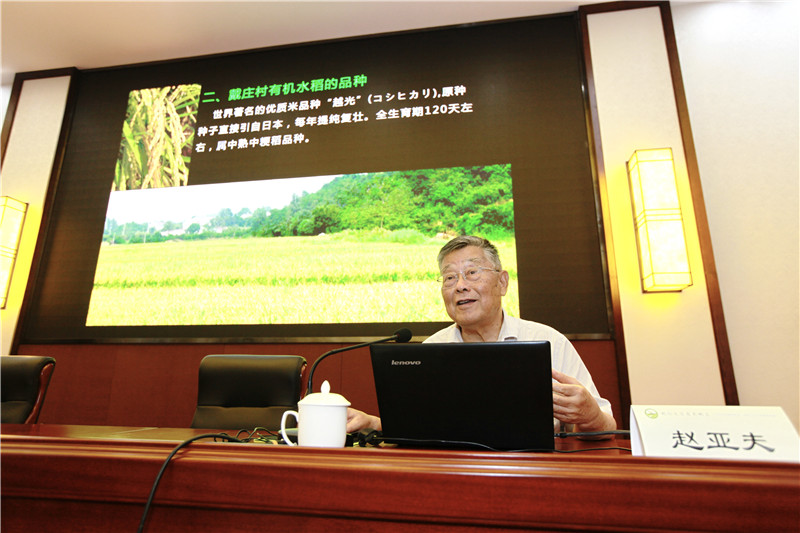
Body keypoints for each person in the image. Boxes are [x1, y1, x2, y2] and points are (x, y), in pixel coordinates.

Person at [347, 235, 616, 435]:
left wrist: (590, 416)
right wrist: (373, 423)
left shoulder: (549, 341)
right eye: (449, 278)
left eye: (472, 273)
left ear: (502, 282)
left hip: (535, 473)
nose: (460, 286)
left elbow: (607, 426)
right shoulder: (429, 350)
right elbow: (416, 428)